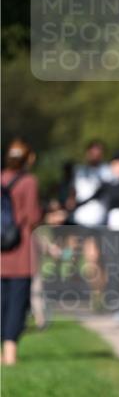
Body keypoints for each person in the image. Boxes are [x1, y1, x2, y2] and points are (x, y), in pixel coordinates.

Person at [1, 139, 42, 365]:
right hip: (20, 252)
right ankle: (10, 354)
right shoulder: (29, 182)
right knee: (17, 303)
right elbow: (33, 216)